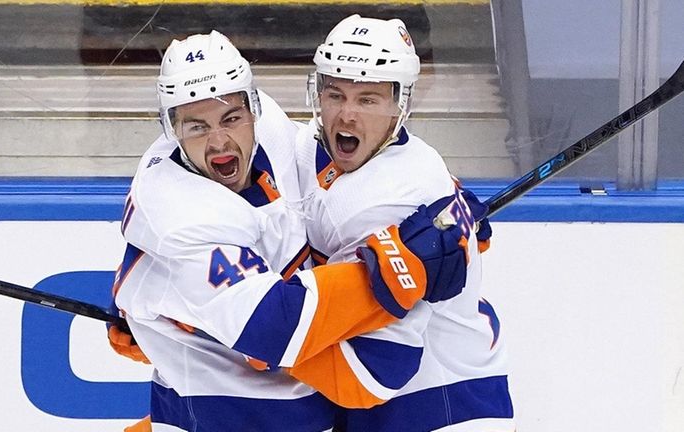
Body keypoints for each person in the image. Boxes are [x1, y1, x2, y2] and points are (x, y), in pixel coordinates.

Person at [111, 30, 468, 432]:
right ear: (171, 131)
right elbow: (279, 330)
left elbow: (336, 164)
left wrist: (445, 198)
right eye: (196, 127)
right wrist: (405, 267)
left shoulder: (276, 135)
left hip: (300, 415)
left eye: (230, 118)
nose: (218, 141)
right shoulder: (180, 211)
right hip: (223, 415)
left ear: (254, 110)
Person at [293, 15, 515, 431]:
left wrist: (243, 330)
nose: (346, 116)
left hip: (443, 405)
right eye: (335, 94)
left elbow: (370, 372)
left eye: (369, 99)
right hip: (388, 405)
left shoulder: (393, 194)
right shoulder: (310, 146)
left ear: (400, 105)